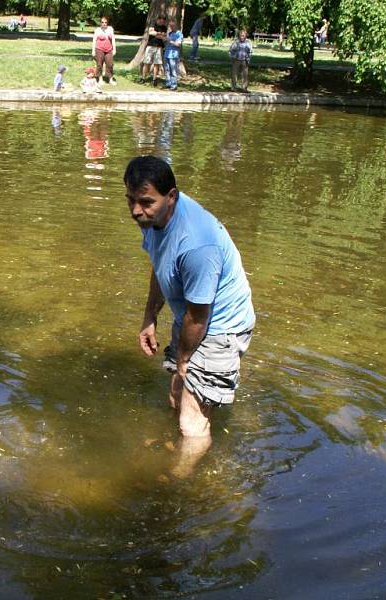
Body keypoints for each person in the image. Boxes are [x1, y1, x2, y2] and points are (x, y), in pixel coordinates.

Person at [124, 155, 255, 475]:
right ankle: (179, 443)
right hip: (192, 316)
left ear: (172, 196)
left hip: (219, 326)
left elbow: (200, 317)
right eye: (130, 200)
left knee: (191, 422)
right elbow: (159, 263)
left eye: (145, 202)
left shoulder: (197, 245)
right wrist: (150, 317)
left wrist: (184, 362)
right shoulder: (154, 218)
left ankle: (178, 483)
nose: (136, 210)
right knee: (176, 394)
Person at [92, 16, 118, 86]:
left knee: (110, 64)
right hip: (99, 49)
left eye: (105, 22)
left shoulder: (110, 29)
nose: (104, 24)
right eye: (102, 22)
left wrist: (114, 49)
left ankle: (110, 79)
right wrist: (93, 51)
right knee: (99, 64)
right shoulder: (97, 30)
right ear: (100, 23)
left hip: (109, 49)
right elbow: (94, 40)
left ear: (107, 23)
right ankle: (100, 79)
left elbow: (113, 39)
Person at [142, 15, 167, 86]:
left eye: (163, 20)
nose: (162, 22)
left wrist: (157, 34)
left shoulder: (164, 28)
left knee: (157, 63)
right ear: (158, 19)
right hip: (150, 46)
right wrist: (159, 33)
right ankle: (143, 78)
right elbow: (150, 33)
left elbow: (163, 37)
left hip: (159, 47)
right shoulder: (153, 25)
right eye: (161, 20)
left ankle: (154, 79)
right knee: (146, 62)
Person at [163, 19, 183, 90]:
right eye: (170, 26)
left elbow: (178, 44)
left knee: (173, 70)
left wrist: (170, 41)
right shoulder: (169, 33)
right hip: (166, 54)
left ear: (176, 25)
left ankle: (174, 85)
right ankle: (168, 83)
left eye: (173, 26)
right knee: (167, 70)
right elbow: (166, 43)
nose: (171, 27)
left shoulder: (179, 34)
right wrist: (164, 40)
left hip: (173, 55)